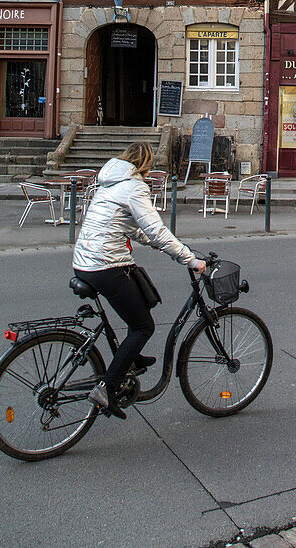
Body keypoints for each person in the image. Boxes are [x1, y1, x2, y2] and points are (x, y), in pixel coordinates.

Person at [72, 142, 206, 419]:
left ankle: (131, 357)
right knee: (143, 327)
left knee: (140, 297)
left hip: (84, 262)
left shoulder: (109, 182)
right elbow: (155, 229)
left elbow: (132, 228)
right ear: (145, 165)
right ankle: (106, 389)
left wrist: (159, 245)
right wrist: (189, 259)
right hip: (105, 265)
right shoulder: (133, 185)